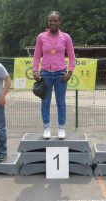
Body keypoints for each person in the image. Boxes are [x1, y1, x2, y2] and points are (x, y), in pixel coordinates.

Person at [33, 11, 75, 139]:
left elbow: (72, 57)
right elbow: (36, 56)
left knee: (61, 102)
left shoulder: (66, 37)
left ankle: (61, 128)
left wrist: (70, 72)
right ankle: (46, 127)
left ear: (59, 22)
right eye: (50, 20)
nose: (52, 23)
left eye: (55, 20)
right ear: (48, 22)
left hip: (60, 74)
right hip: (45, 74)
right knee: (45, 102)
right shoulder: (41, 37)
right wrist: (35, 70)